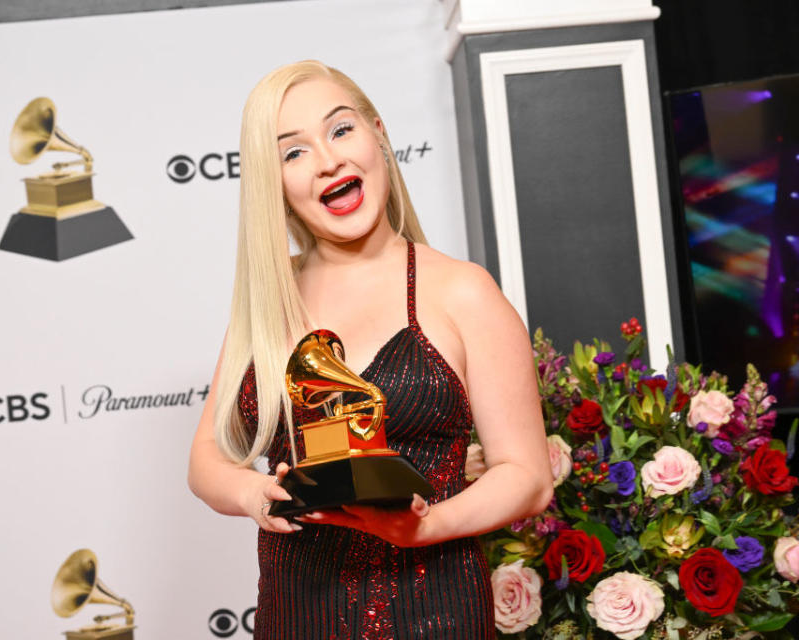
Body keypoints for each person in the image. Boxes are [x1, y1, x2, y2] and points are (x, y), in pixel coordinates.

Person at [188, 60, 552, 639]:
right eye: (293, 152)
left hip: (435, 613)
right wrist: (253, 493)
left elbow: (528, 476)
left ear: (378, 134)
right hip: (295, 613)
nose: (328, 159)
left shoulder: (463, 291)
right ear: (274, 185)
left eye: (340, 129)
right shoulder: (266, 300)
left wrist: (428, 526)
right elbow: (206, 456)